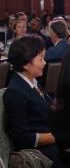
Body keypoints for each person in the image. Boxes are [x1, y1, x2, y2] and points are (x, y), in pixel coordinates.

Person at [3, 34, 60, 167]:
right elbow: (22, 139)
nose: (45, 62)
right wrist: (58, 135)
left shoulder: (33, 82)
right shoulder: (15, 92)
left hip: (53, 142)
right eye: (41, 58)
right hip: (40, 154)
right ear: (26, 63)